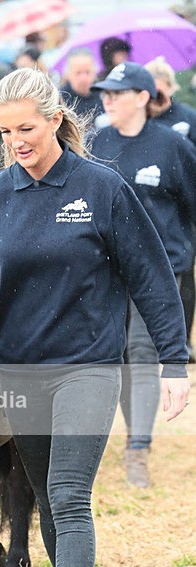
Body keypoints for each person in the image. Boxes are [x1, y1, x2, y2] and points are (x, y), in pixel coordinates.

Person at [0, 67, 189, 567]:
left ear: (56, 118)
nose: (17, 141)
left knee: (67, 494)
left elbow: (151, 277)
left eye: (27, 128)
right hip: (20, 374)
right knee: (45, 502)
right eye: (7, 131)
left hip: (87, 368)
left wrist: (174, 361)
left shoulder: (101, 187)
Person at [90, 62, 196, 487]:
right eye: (105, 92)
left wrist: (180, 253)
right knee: (114, 358)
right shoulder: (97, 144)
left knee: (143, 352)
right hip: (108, 271)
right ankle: (126, 436)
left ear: (142, 97)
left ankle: (138, 448)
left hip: (162, 269)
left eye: (117, 92)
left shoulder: (172, 146)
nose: (107, 99)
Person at [146, 56, 196, 364]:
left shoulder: (187, 117)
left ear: (170, 86)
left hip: (181, 206)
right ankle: (150, 343)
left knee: (184, 276)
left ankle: (183, 340)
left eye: (161, 88)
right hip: (153, 206)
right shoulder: (141, 123)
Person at [59, 48, 103, 127]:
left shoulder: (103, 94)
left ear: (95, 72)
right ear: (68, 74)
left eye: (87, 72)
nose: (83, 78)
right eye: (78, 73)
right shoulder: (60, 99)